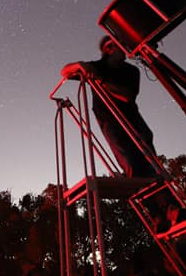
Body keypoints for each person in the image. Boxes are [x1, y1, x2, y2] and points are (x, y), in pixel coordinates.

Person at [63, 36, 158, 178]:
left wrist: (100, 81)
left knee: (147, 153)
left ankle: (161, 190)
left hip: (132, 117)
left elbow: (127, 96)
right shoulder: (97, 66)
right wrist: (79, 65)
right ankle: (140, 191)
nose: (124, 49)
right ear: (109, 49)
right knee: (127, 158)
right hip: (108, 120)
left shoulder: (131, 71)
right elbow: (64, 72)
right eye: (120, 45)